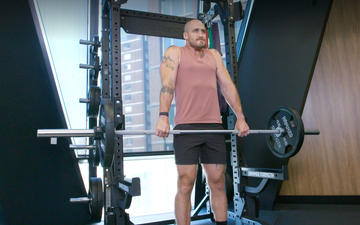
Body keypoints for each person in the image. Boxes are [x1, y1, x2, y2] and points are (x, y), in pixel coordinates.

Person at [155, 19, 250, 225]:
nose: (201, 34)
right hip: (186, 129)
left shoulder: (213, 55)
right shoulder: (175, 52)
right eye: (196, 31)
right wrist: (163, 116)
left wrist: (240, 118)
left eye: (203, 31)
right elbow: (167, 83)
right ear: (185, 35)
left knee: (217, 182)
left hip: (214, 127)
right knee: (185, 184)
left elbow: (227, 86)